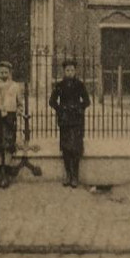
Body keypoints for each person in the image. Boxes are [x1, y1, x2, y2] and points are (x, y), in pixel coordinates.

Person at [49, 60, 91, 188]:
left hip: (77, 120)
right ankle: (68, 175)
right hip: (65, 120)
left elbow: (87, 101)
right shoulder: (59, 85)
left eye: (72, 70)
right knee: (66, 148)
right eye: (67, 70)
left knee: (76, 148)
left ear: (75, 71)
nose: (70, 72)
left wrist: (79, 108)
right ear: (64, 71)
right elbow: (52, 101)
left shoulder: (79, 85)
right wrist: (60, 109)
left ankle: (75, 177)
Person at [0, 61, 23, 189]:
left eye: (6, 72)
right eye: (1, 72)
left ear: (9, 73)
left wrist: (17, 112)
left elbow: (20, 104)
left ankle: (5, 176)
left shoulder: (15, 86)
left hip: (9, 118)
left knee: (8, 146)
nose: (3, 74)